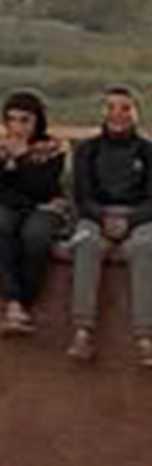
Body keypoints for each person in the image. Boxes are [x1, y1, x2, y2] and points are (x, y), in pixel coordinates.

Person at [66, 85, 149, 366]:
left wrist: (130, 220)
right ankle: (82, 332)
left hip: (140, 218)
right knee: (86, 244)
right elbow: (82, 197)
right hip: (96, 216)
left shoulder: (147, 151)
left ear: (135, 113)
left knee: (145, 247)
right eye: (111, 107)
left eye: (125, 108)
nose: (118, 114)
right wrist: (103, 219)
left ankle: (145, 337)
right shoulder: (87, 150)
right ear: (103, 112)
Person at [0, 92, 67, 337]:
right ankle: (12, 302)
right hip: (23, 207)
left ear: (37, 121)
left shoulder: (53, 149)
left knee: (35, 235)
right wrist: (31, 203)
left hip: (46, 211)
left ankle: (25, 301)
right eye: (12, 119)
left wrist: (23, 157)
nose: (18, 127)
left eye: (24, 120)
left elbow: (46, 186)